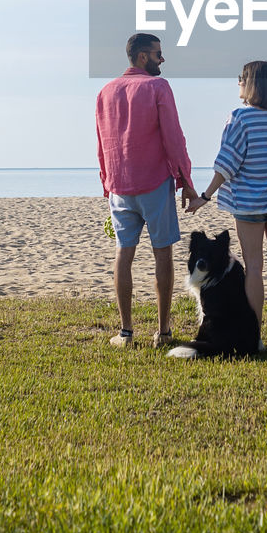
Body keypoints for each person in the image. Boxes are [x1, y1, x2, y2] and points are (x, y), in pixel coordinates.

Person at [186, 60, 267, 352]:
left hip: (249, 205)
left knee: (253, 268)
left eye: (241, 78)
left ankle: (255, 339)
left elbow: (227, 164)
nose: (238, 83)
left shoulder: (240, 119)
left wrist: (205, 196)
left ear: (251, 83)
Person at [96, 33, 197, 348]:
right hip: (153, 182)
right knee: (162, 253)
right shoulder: (157, 87)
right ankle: (163, 332)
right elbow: (173, 138)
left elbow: (101, 143)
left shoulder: (105, 92)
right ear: (142, 56)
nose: (162, 59)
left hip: (119, 186)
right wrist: (186, 183)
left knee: (123, 254)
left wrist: (106, 182)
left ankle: (126, 333)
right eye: (157, 54)